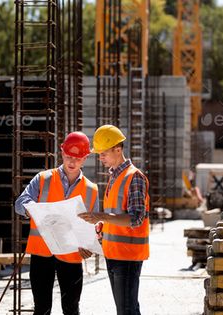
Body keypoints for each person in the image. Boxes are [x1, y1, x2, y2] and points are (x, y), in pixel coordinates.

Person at [15, 131, 99, 315]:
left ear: (85, 158)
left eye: (77, 158)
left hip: (72, 255)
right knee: (42, 308)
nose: (72, 162)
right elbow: (20, 203)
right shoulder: (43, 179)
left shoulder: (92, 190)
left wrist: (90, 245)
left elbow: (95, 227)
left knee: (71, 309)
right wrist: (34, 210)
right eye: (69, 156)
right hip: (42, 253)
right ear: (62, 153)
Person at [78, 125, 149, 315]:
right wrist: (103, 226)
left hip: (127, 255)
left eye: (103, 153)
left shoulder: (134, 177)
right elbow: (117, 216)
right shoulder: (115, 177)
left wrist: (101, 216)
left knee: (126, 310)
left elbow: (136, 218)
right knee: (127, 309)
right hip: (114, 253)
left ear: (118, 149)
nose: (100, 158)